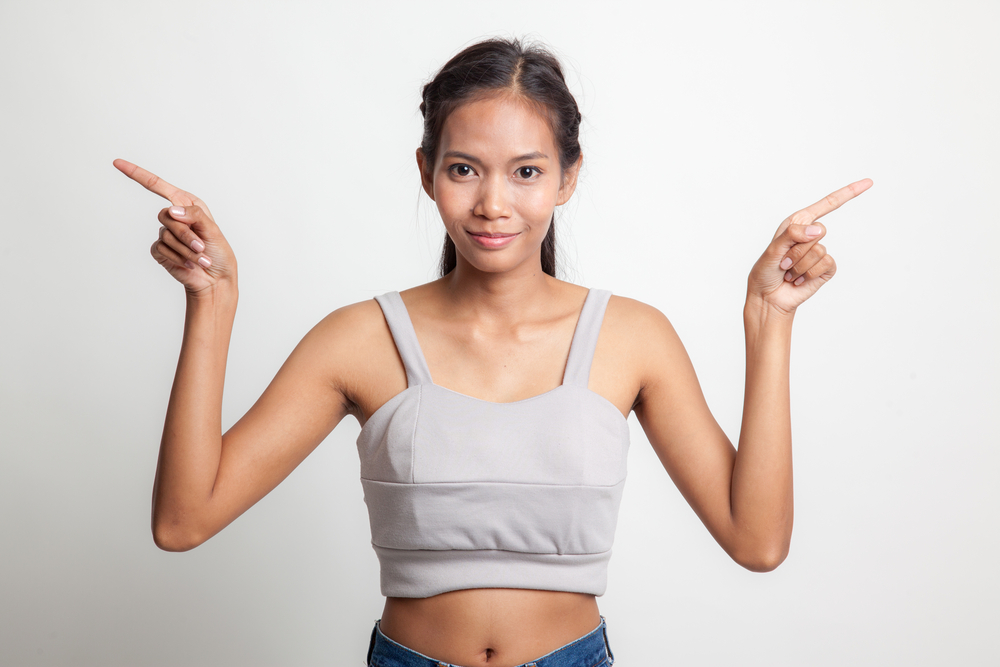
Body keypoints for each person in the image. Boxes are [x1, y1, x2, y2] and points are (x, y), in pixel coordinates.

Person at [114, 37, 870, 667]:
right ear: (427, 172)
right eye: (464, 168)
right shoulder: (359, 338)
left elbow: (757, 540)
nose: (493, 204)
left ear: (569, 177)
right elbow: (184, 520)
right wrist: (209, 302)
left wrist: (769, 319)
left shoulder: (633, 336)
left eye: (527, 171)